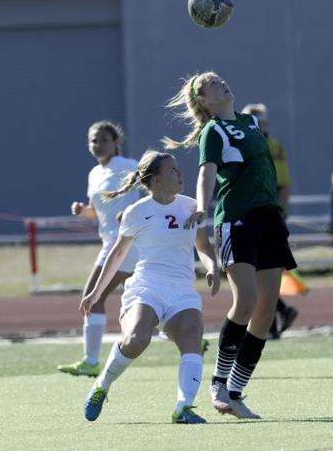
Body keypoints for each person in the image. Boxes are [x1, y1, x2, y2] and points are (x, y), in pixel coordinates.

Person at [163, 71, 297, 419]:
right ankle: (218, 382)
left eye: (220, 78)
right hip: (236, 219)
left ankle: (235, 391)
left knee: (267, 312)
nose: (221, 82)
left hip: (269, 218)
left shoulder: (251, 121)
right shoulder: (213, 130)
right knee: (247, 301)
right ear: (204, 100)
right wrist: (203, 207)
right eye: (211, 83)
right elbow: (207, 173)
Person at [80, 150, 220, 424]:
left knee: (192, 336)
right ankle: (101, 387)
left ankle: (184, 407)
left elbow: (202, 245)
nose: (180, 173)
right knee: (136, 340)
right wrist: (96, 293)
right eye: (172, 170)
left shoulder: (191, 206)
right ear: (155, 180)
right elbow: (117, 255)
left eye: (178, 168)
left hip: (181, 290)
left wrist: (212, 266)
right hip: (147, 287)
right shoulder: (137, 212)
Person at [57, 121, 139, 378]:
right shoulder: (94, 174)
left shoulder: (128, 166)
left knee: (93, 298)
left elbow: (152, 190)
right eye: (93, 140)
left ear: (116, 143)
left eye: (103, 139)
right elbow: (98, 213)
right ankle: (185, 335)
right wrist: (83, 211)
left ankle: (91, 361)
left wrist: (134, 214)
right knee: (141, 297)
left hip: (126, 243)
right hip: (111, 243)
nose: (98, 144)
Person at [241, 103, 298, 339]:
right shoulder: (242, 143)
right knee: (255, 273)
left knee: (261, 271)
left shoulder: (272, 147)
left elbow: (282, 184)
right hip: (248, 212)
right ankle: (279, 313)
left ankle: (272, 323)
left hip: (265, 214)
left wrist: (281, 213)